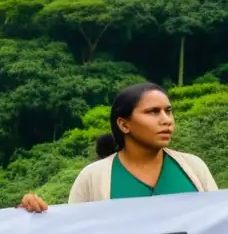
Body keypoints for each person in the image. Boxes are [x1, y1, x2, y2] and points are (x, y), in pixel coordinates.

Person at [68, 82, 218, 202]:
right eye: (153, 112)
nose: (166, 120)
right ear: (124, 125)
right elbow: (73, 231)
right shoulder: (92, 178)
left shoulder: (194, 167)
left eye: (168, 111)